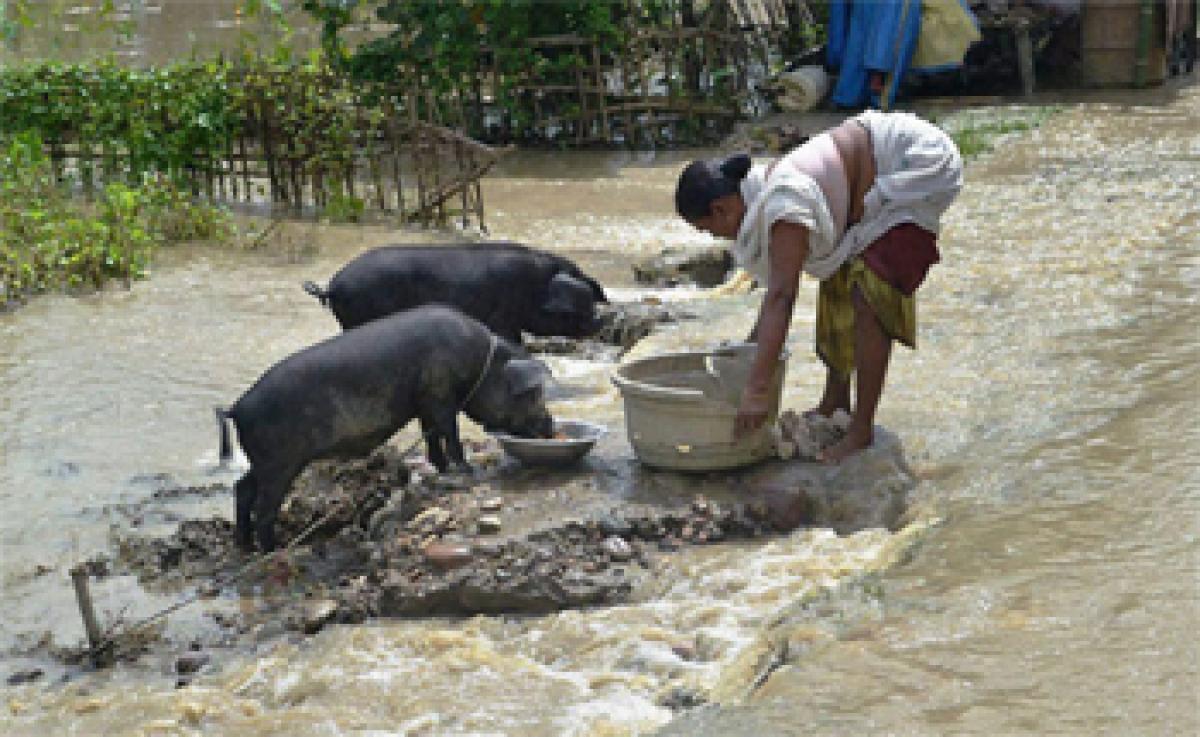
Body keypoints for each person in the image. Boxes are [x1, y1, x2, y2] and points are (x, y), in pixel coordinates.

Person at [675, 111, 962, 463]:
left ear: (720, 209)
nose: (714, 237)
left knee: (868, 296)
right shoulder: (761, 195)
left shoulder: (782, 204)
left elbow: (782, 296)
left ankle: (861, 429)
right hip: (873, 171)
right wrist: (746, 358)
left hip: (913, 164)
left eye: (707, 229)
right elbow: (773, 299)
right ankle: (835, 403)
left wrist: (756, 390)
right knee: (837, 283)